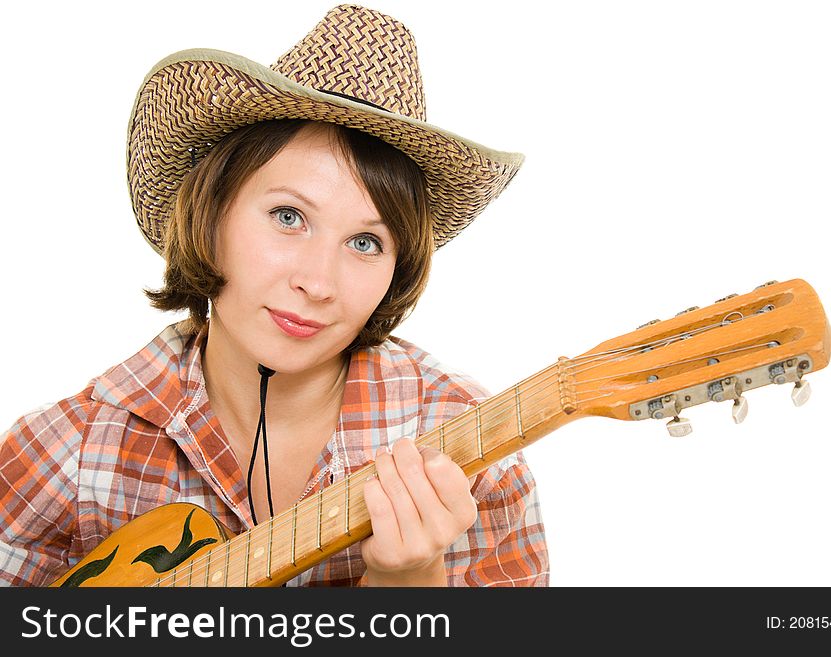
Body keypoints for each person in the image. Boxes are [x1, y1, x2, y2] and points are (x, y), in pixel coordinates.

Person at [0, 3, 548, 587]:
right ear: (210, 215)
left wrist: (408, 583)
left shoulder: (471, 449)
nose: (317, 282)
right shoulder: (72, 453)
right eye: (288, 216)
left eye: (365, 242)